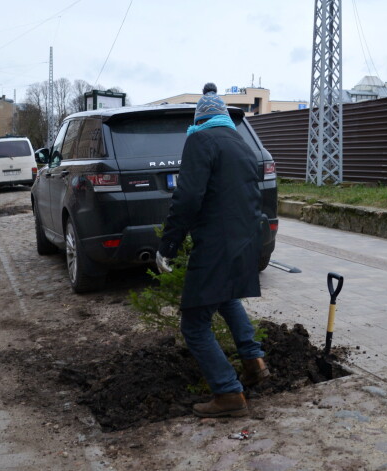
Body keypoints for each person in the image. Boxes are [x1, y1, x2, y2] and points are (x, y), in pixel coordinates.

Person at [155, 83, 270, 417]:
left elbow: (188, 198)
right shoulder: (242, 144)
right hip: (245, 237)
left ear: (199, 120)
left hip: (217, 243)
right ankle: (254, 361)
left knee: (194, 324)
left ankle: (228, 393)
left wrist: (170, 245)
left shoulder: (200, 140)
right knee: (226, 297)